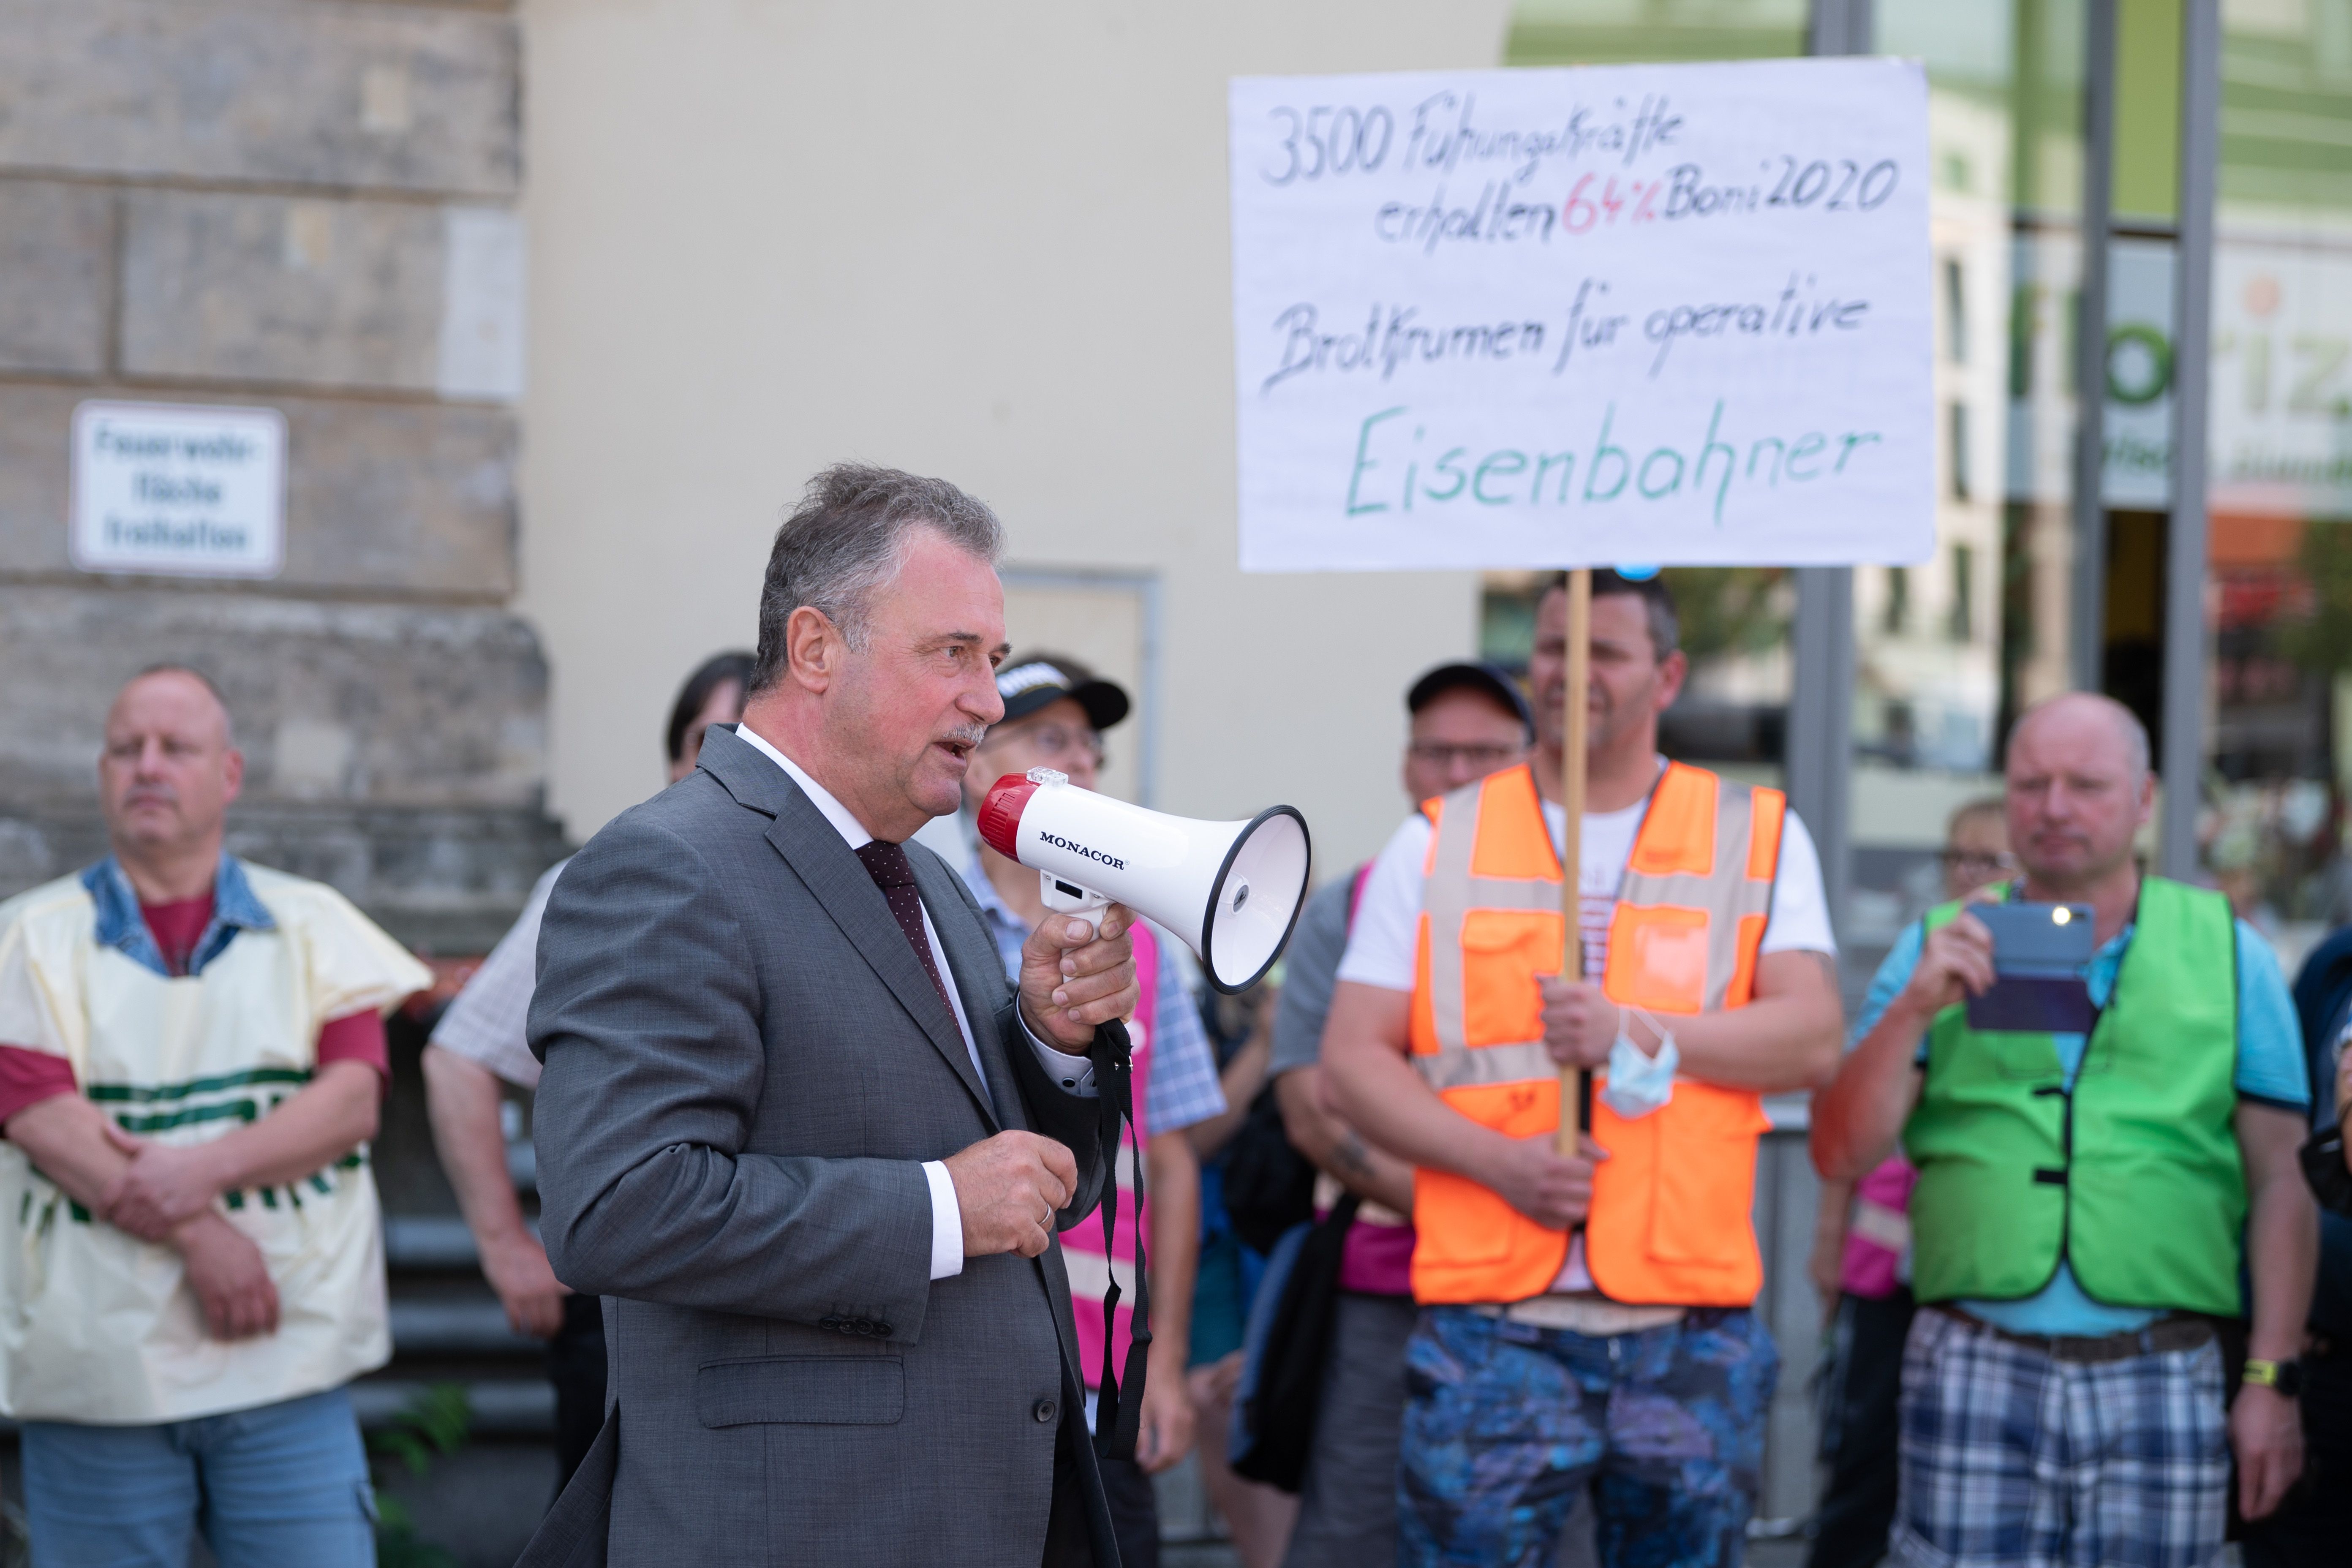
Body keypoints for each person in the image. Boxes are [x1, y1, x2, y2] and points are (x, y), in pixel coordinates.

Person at [517, 465, 1140, 1568]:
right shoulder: (665, 868)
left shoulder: (930, 882)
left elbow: (1040, 1190)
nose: (989, 701)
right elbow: (617, 1206)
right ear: (814, 649)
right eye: (952, 653)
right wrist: (939, 1209)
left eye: (990, 662)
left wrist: (1055, 1043)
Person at [1323, 571, 1844, 1567]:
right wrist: (1500, 1164)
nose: (1570, 672)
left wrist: (1635, 1031)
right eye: (1554, 645)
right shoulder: (1440, 835)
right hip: (1493, 1328)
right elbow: (1353, 1058)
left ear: (1669, 674)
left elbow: (1813, 1037)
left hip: (1687, 1330)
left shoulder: (1757, 830)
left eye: (1604, 651)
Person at [1811, 691, 2317, 1568]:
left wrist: (2271, 1377)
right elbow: (1841, 1151)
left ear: (2147, 798)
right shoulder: (1938, 941)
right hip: (1973, 1354)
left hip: (2164, 1366)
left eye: (2086, 783)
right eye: (2031, 782)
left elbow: (2283, 1178)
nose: (2053, 806)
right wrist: (1911, 1013)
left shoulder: (2228, 952)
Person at [0, 666, 429, 1565]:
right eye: (126, 748)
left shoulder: (316, 926)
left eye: (175, 748)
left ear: (228, 774)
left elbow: (350, 1100)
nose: (147, 766)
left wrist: (189, 1175)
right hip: (99, 1382)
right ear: (102, 770)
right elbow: (41, 1115)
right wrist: (205, 1235)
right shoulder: (26, 938)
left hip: (286, 1367)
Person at [422, 649, 751, 1494]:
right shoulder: (602, 882)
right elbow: (460, 1054)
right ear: (675, 758)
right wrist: (504, 1246)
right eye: (703, 738)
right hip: (618, 1307)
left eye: (747, 739)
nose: (721, 759)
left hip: (771, 1303)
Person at [956, 651, 1228, 1568]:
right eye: (1047, 736)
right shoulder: (923, 912)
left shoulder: (1141, 946)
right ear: (975, 759)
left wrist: (1168, 1354)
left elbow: (1175, 1158)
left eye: (1090, 744)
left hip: (1104, 1363)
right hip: (965, 1356)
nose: (1078, 761)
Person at [1266, 659, 1533, 1568]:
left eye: (1487, 753)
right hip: (1389, 1285)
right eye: (1438, 752)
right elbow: (1308, 1105)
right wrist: (1481, 1201)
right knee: (1355, 1533)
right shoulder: (1347, 905)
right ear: (1406, 765)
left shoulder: (1582, 901)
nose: (1459, 774)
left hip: (1548, 1292)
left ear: (1535, 759)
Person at [1805, 797, 2009, 1568]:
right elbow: (1848, 1120)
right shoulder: (1921, 956)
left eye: (1990, 861)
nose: (1969, 877)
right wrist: (1829, 1244)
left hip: (1971, 1273)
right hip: (1887, 1270)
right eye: (1958, 858)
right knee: (1865, 1458)